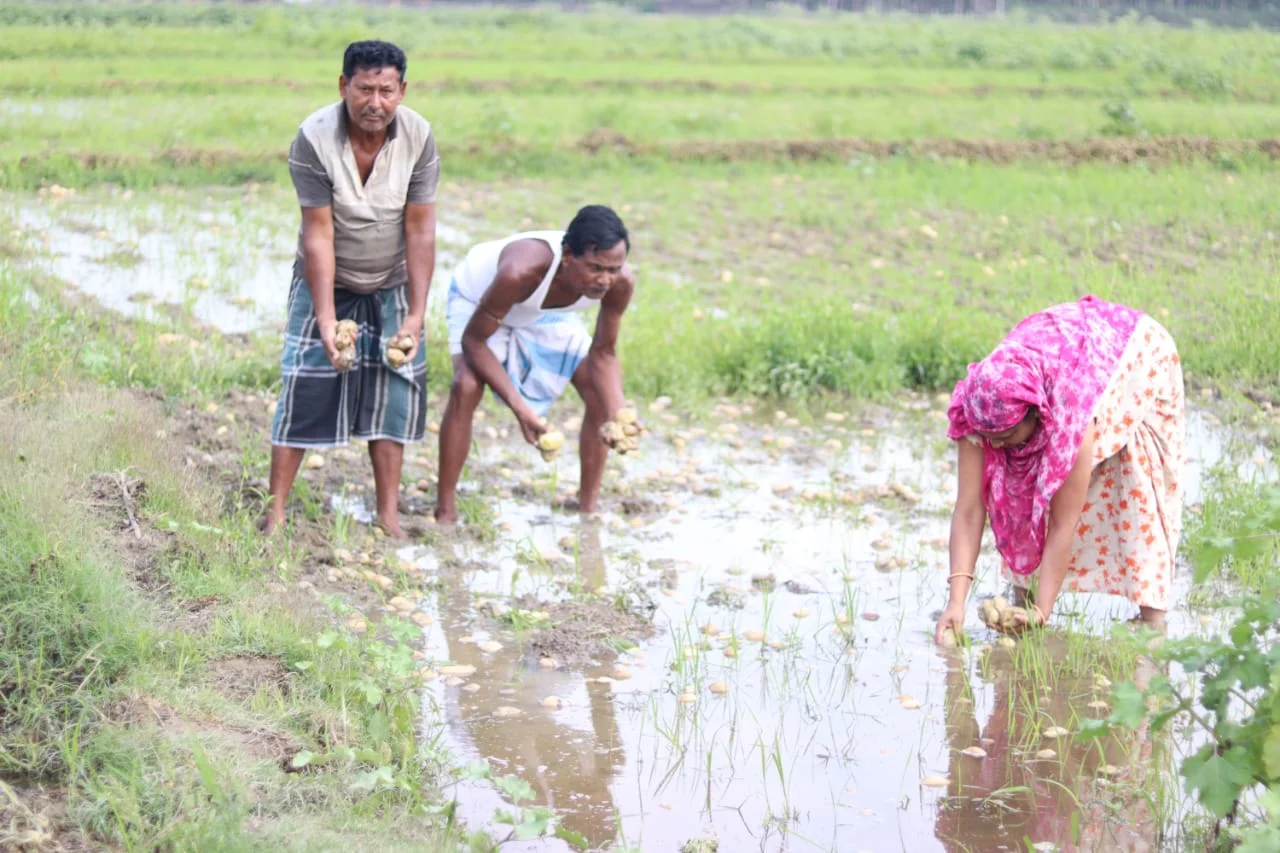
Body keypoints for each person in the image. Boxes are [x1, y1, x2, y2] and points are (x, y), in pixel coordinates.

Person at [262, 39, 439, 540]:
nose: (374, 103)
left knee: (393, 392)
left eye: (386, 91)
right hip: (328, 278)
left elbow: (420, 230)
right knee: (304, 384)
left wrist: (415, 315)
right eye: (364, 89)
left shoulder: (419, 136)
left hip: (392, 279)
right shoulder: (314, 138)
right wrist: (324, 319)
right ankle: (275, 512)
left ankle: (388, 516)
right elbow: (318, 234)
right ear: (343, 86)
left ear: (402, 91)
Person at [934, 295, 1186, 643]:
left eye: (1006, 436)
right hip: (1066, 344)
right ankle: (1021, 598)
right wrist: (956, 602)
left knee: (1137, 480)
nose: (998, 446)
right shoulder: (979, 406)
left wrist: (1044, 612)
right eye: (990, 439)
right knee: (1019, 481)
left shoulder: (1069, 417)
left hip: (1137, 354)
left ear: (1037, 415)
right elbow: (968, 509)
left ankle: (1152, 621)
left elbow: (1063, 522)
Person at [433, 206, 635, 526]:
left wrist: (619, 414)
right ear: (567, 256)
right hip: (480, 300)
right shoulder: (522, 269)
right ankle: (445, 510)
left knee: (598, 389)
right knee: (466, 385)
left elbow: (604, 354)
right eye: (596, 268)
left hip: (539, 309)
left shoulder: (618, 283)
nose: (605, 280)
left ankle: (587, 509)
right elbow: (474, 341)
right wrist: (522, 410)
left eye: (614, 269)